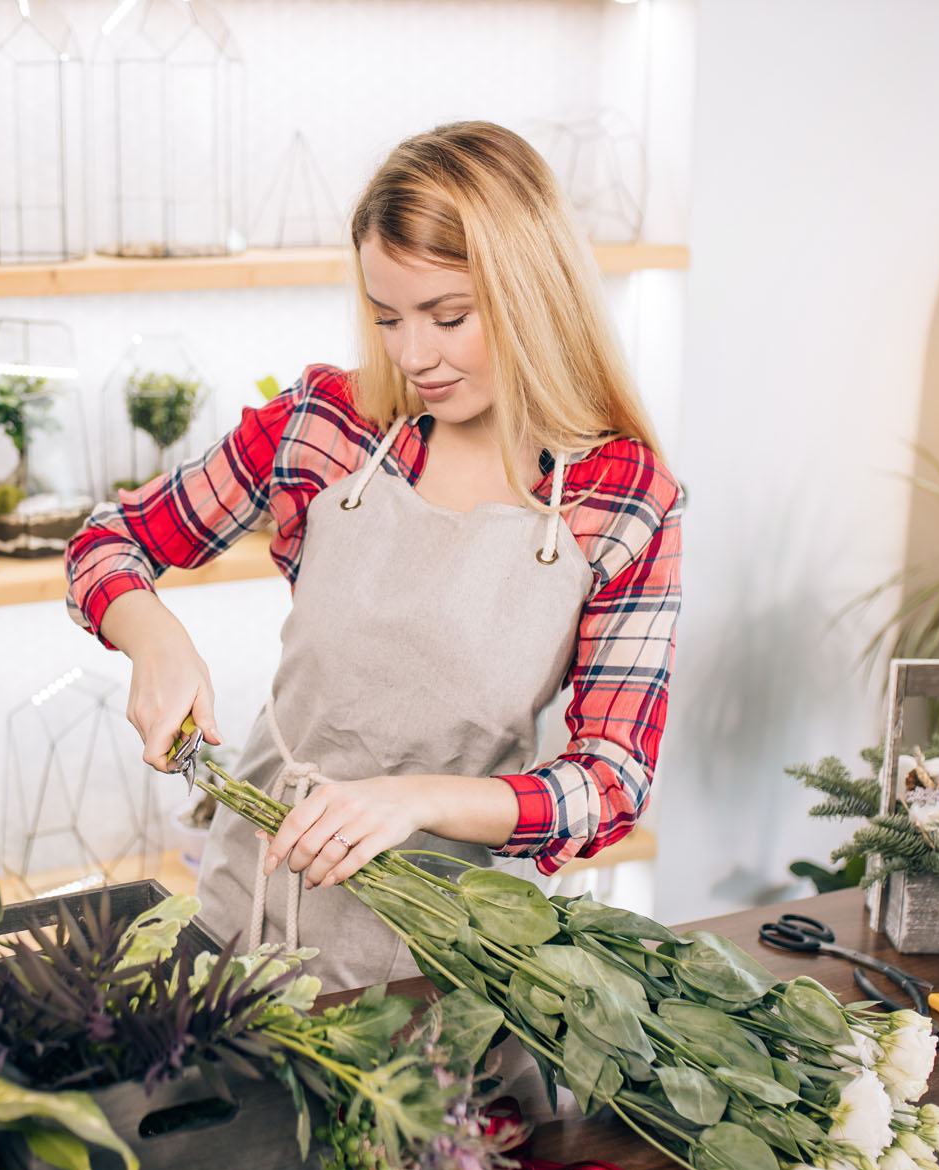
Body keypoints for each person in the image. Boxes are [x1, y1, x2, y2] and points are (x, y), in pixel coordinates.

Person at [65, 121, 682, 990]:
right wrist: (157, 642)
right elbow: (106, 543)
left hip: (441, 964)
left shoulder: (619, 497)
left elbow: (609, 782)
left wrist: (416, 799)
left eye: (449, 317)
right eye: (387, 317)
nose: (412, 354)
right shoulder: (328, 427)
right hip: (243, 919)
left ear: (532, 295)